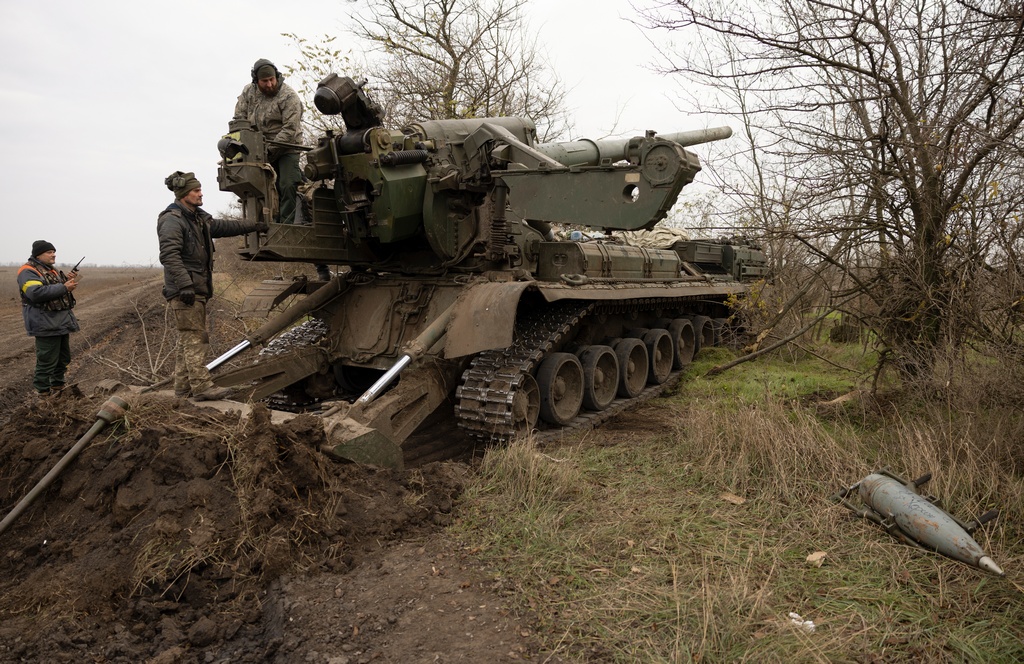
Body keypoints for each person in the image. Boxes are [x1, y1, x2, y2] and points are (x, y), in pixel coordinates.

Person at [158, 171, 267, 401]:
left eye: (199, 189)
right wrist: (185, 285)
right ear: (183, 194)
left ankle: (183, 387)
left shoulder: (198, 219)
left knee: (188, 338)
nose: (200, 193)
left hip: (196, 288)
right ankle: (202, 387)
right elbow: (169, 256)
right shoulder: (172, 220)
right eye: (196, 190)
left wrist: (253, 226)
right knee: (196, 338)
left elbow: (225, 227)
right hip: (185, 290)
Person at [232, 58, 304, 226]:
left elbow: (290, 129)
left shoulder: (288, 96)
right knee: (256, 187)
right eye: (265, 81)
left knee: (287, 184)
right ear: (256, 81)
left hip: (287, 147)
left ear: (277, 76)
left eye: (272, 79)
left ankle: (285, 227)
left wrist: (270, 150)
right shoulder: (248, 92)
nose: (270, 84)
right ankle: (261, 224)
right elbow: (239, 120)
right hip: (257, 148)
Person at [17, 240, 80, 395]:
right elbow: (36, 293)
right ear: (38, 254)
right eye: (49, 252)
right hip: (45, 323)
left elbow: (53, 290)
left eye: (54, 251)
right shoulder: (27, 271)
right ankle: (43, 395)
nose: (53, 255)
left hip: (59, 322)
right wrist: (64, 287)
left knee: (63, 359)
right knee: (46, 361)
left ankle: (58, 388)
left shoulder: (49, 270)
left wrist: (65, 280)